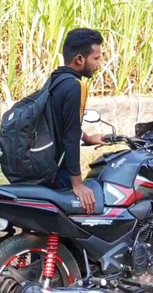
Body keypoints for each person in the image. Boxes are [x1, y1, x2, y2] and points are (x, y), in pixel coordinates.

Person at [49, 28, 105, 214]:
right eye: (95, 59)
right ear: (79, 59)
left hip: (45, 166)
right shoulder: (75, 86)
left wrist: (87, 138)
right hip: (58, 172)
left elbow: (61, 123)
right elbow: (70, 137)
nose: (98, 64)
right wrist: (78, 183)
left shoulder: (56, 79)